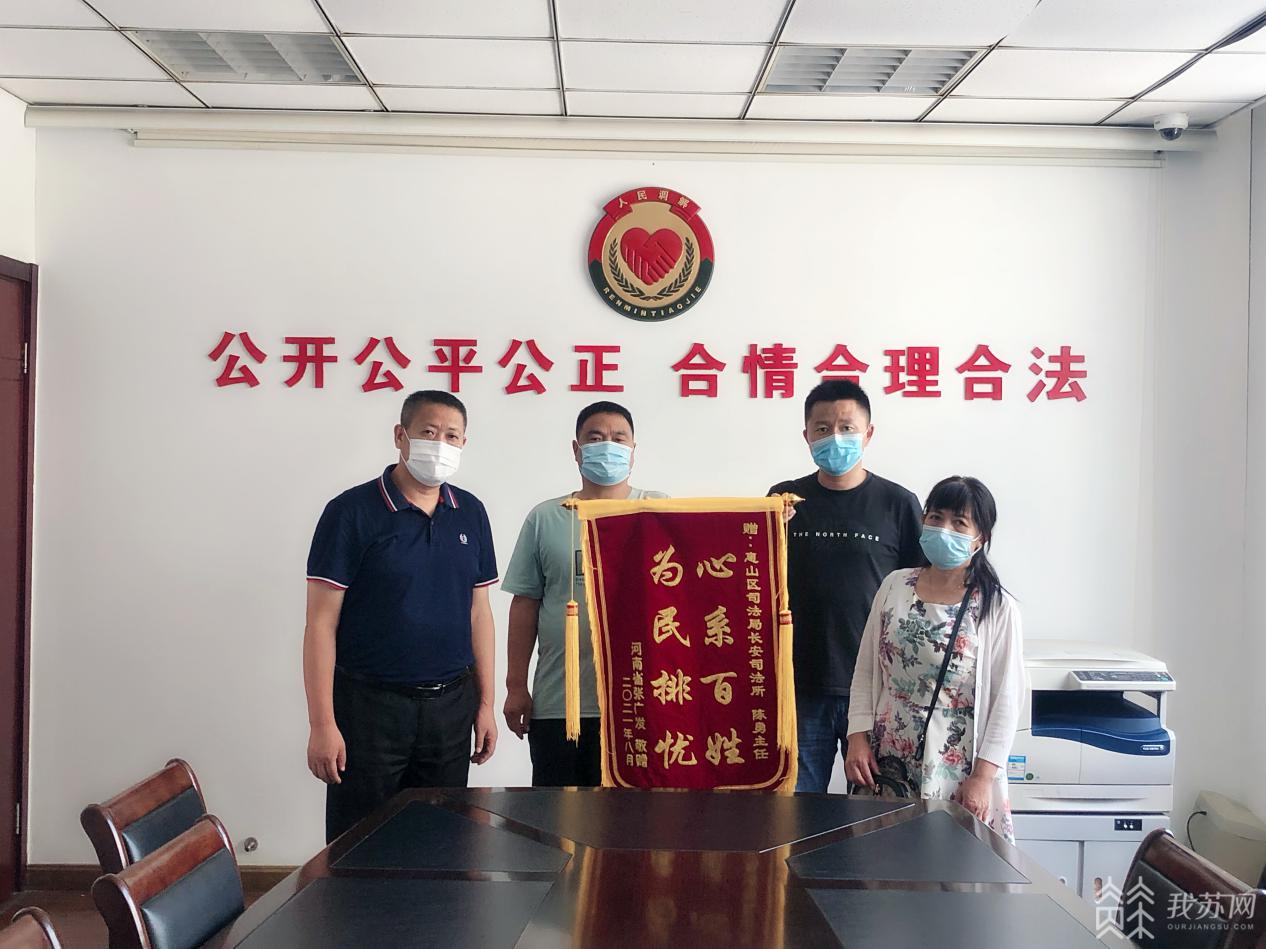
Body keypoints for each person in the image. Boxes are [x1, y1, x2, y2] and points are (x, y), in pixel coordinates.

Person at [303, 390, 499, 842]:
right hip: (370, 709)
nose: (440, 445)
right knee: (360, 843)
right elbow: (320, 624)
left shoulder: (470, 512)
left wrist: (486, 704)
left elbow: (479, 613)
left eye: (452, 436)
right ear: (400, 435)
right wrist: (322, 724)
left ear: (464, 443)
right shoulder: (350, 512)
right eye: (428, 432)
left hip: (451, 708)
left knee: (443, 841)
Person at [844, 476, 1023, 841]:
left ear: (980, 538)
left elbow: (1007, 699)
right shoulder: (894, 585)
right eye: (936, 517)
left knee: (951, 865)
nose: (944, 529)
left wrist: (983, 777)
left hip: (957, 769)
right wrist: (857, 737)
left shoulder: (996, 606)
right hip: (888, 759)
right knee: (884, 862)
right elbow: (866, 669)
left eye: (959, 522)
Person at [768, 380, 923, 793]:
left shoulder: (899, 503)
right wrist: (765, 529)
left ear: (868, 434)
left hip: (877, 686)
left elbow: (919, 593)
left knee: (881, 811)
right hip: (801, 685)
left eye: (846, 427)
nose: (834, 437)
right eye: (822, 428)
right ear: (806, 436)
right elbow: (756, 581)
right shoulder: (783, 501)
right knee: (797, 809)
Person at [502, 401, 668, 786]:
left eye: (618, 438)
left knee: (638, 818)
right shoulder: (546, 517)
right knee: (560, 815)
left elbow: (709, 562)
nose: (608, 446)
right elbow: (524, 605)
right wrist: (515, 687)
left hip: (642, 705)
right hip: (562, 705)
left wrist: (769, 524)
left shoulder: (659, 509)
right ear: (576, 450)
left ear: (633, 451)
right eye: (595, 438)